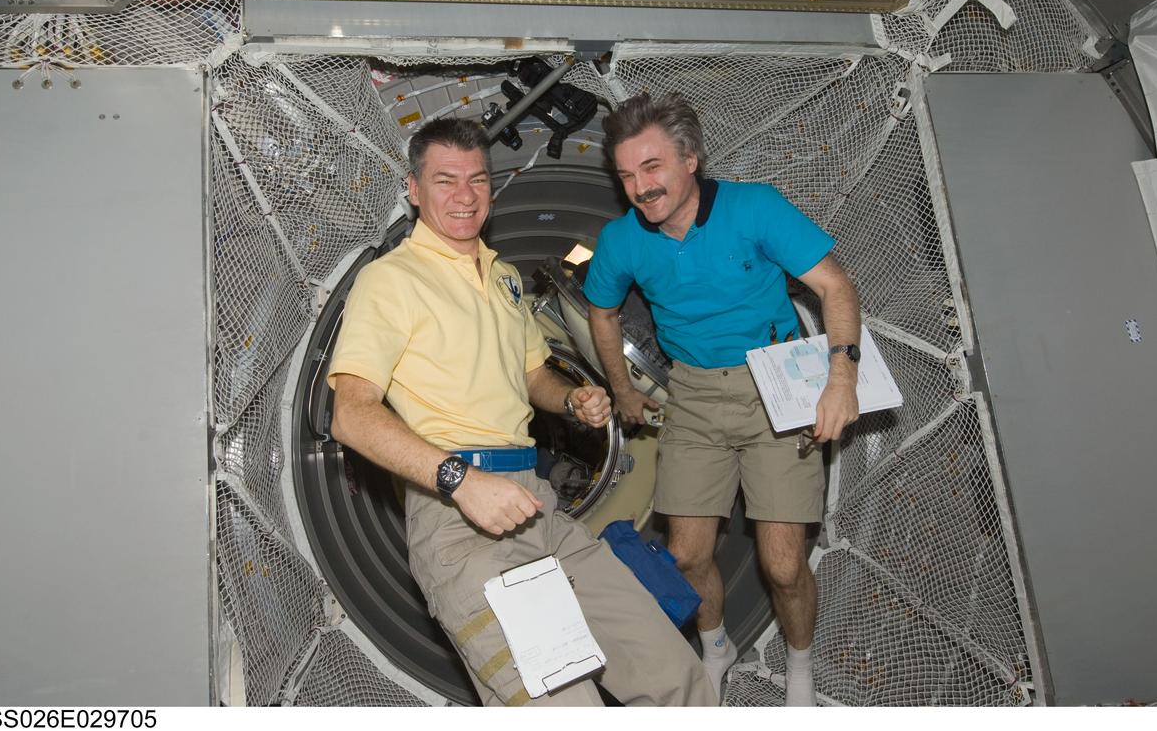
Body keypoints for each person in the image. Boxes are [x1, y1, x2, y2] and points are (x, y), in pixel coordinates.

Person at [327, 117, 716, 707]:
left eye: (477, 180)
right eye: (445, 180)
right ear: (413, 188)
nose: (465, 196)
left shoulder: (504, 278)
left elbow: (531, 373)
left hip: (541, 511)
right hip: (461, 520)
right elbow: (350, 415)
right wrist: (459, 482)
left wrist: (571, 400)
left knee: (678, 681)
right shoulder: (390, 281)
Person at [584, 93, 862, 706]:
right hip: (694, 395)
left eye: (652, 168)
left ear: (691, 159)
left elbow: (834, 283)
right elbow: (601, 313)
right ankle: (717, 648)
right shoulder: (622, 240)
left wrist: (840, 377)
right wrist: (623, 389)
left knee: (784, 566)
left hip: (778, 387)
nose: (640, 188)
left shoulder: (754, 207)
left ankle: (799, 665)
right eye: (627, 175)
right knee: (685, 557)